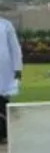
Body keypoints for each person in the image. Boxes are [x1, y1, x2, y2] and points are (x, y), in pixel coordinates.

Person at [0, 12, 21, 144]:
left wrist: (18, 67)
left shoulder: (6, 25)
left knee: (2, 101)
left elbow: (15, 48)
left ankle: (3, 134)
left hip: (3, 69)